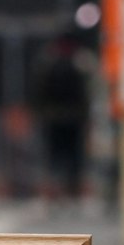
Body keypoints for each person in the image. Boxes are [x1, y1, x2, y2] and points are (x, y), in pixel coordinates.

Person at [30, 37, 90, 203]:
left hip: (53, 118)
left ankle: (55, 192)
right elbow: (83, 94)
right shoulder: (77, 65)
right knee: (73, 158)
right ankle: (71, 191)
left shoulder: (48, 65)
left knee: (53, 157)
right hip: (73, 119)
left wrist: (40, 112)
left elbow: (39, 93)